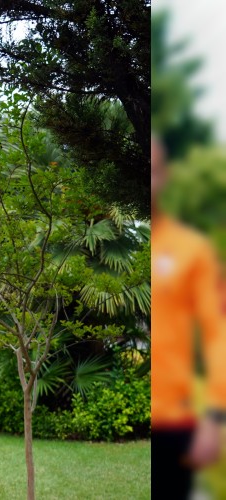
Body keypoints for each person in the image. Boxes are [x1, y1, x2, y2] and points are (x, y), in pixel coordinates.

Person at [151, 133, 226, 499]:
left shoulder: (193, 250)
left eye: (153, 170)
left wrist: (215, 417)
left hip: (173, 424)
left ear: (165, 177)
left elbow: (217, 334)